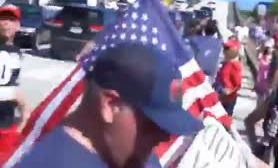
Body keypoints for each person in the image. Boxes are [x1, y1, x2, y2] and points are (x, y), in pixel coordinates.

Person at [15, 43, 203, 168]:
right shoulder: (49, 162)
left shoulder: (135, 155)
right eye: (153, 124)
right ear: (110, 105)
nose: (164, 137)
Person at [0, 5, 29, 160]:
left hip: (6, 119)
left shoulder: (16, 52)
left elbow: (13, 83)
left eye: (11, 19)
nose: (6, 23)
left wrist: (24, 110)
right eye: (3, 18)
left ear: (17, 26)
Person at [188, 20, 223, 85]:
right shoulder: (218, 42)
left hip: (198, 71)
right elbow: (221, 37)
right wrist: (216, 29)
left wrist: (200, 27)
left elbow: (190, 37)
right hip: (211, 73)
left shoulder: (196, 39)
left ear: (204, 30)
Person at [214, 39, 242, 116]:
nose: (224, 50)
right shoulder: (226, 63)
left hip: (227, 99)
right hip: (219, 95)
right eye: (224, 48)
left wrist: (228, 92)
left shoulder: (235, 65)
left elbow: (238, 84)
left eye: (227, 48)